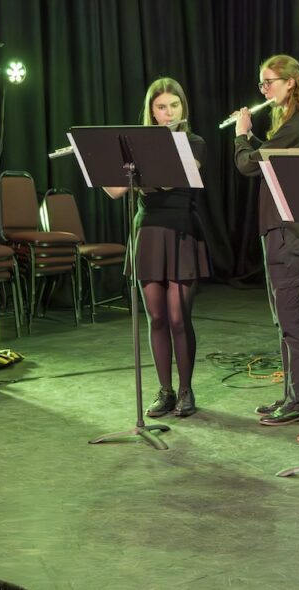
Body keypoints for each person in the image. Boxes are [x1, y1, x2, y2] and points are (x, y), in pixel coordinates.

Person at [103, 77, 209, 418]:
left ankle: (187, 390)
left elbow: (169, 180)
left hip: (181, 231)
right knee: (157, 317)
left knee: (180, 318)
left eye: (174, 106)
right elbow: (115, 191)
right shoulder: (136, 147)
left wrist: (138, 173)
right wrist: (96, 158)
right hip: (147, 232)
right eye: (161, 107)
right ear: (151, 111)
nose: (168, 113)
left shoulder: (194, 143)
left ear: (183, 108)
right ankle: (165, 391)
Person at [233, 55, 299, 426]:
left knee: (293, 321)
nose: (265, 89)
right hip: (278, 230)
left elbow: (248, 165)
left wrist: (241, 134)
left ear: (290, 83)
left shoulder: (297, 126)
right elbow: (264, 157)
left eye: (269, 81)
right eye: (262, 83)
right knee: (282, 320)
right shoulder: (288, 127)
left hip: (289, 232)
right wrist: (253, 138)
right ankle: (291, 395)